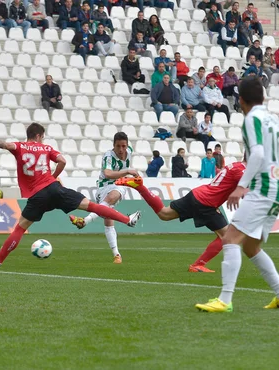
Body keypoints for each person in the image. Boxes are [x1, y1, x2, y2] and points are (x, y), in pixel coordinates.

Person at [0, 124, 141, 267]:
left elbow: (4, 144)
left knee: (20, 228)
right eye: (42, 136)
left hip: (37, 196)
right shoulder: (47, 148)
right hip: (55, 189)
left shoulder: (20, 146)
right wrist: (53, 177)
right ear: (39, 135)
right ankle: (127, 220)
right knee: (93, 206)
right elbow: (62, 161)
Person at [195, 76, 279, 313]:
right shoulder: (273, 119)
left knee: (230, 239)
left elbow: (259, 155)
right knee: (251, 247)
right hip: (276, 190)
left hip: (262, 188)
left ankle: (225, 299)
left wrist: (242, 186)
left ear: (240, 100)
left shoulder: (252, 119)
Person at [115, 160, 246, 273]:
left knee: (164, 214)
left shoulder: (235, 165)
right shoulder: (243, 170)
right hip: (207, 202)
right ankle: (198, 265)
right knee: (227, 236)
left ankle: (140, 187)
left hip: (198, 194)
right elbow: (248, 192)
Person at [69, 132, 140, 264]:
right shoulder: (108, 156)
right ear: (113, 145)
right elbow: (107, 173)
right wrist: (127, 171)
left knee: (113, 196)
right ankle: (117, 254)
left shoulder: (129, 151)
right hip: (103, 187)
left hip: (118, 186)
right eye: (118, 146)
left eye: (123, 146)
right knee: (108, 219)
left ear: (127, 145)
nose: (121, 149)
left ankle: (85, 221)